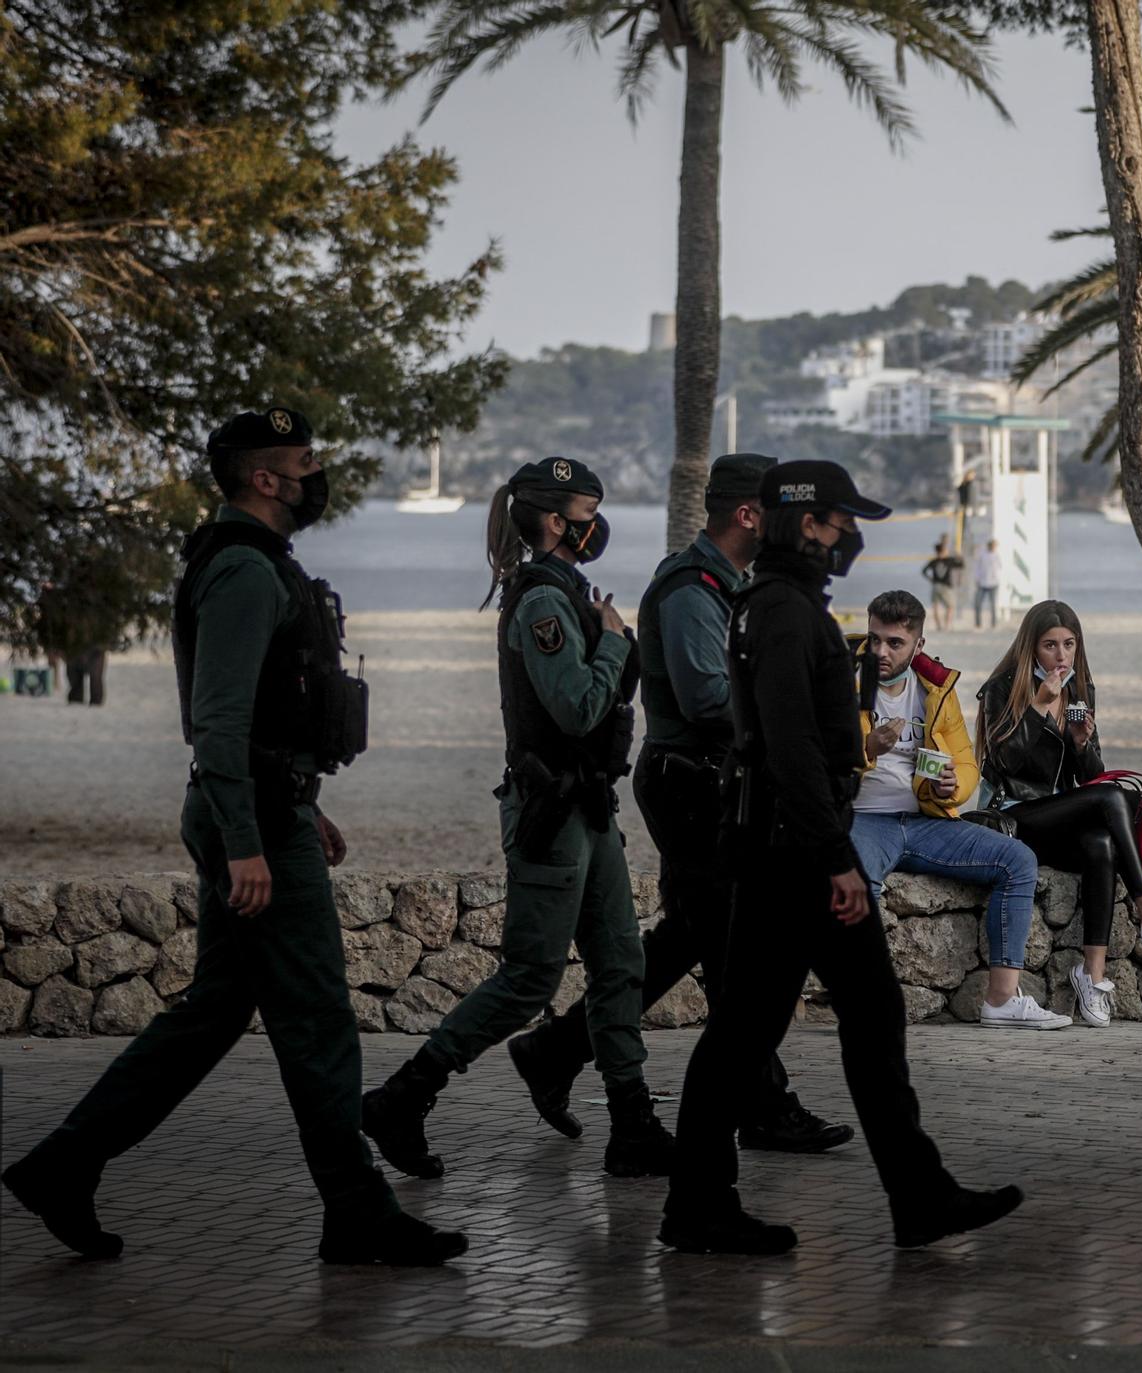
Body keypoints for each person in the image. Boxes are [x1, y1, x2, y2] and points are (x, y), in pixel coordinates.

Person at [1, 408, 464, 1266]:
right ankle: (356, 1210)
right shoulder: (244, 572)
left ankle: (63, 1163)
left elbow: (260, 720)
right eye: (302, 460)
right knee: (319, 1015)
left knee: (212, 1013)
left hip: (263, 808)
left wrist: (301, 804)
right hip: (246, 819)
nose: (314, 472)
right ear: (265, 478)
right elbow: (216, 722)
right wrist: (249, 840)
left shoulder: (252, 564)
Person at [661, 459, 1024, 1255]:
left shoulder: (764, 603)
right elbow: (792, 748)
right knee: (765, 1029)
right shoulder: (790, 614)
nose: (851, 536)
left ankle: (909, 1194)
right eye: (840, 521)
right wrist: (835, 860)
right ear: (806, 523)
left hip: (779, 847)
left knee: (781, 1025)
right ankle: (709, 1203)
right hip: (796, 853)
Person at [506, 455, 853, 1153]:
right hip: (690, 782)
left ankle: (558, 1050)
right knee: (730, 945)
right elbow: (706, 698)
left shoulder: (730, 584)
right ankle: (758, 1107)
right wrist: (793, 711)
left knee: (691, 939)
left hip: (708, 781)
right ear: (750, 515)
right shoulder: (693, 588)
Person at [362, 456, 673, 1182]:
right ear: (554, 520)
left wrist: (613, 643)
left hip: (588, 805)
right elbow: (578, 707)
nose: (595, 524)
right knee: (532, 976)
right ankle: (404, 1096)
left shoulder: (565, 592)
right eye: (585, 511)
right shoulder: (541, 602)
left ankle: (631, 1122)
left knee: (620, 963)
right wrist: (618, 640)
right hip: (552, 814)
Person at [976, 600, 1142, 1029]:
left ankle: (1092, 975)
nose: (1061, 656)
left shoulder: (1080, 690)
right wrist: (1041, 707)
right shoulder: (1002, 688)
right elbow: (1005, 763)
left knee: (1101, 840)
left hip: (1058, 817)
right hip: (1011, 816)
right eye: (1050, 646)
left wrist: (1082, 744)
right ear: (1031, 648)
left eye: (1069, 645)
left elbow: (1091, 774)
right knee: (1110, 798)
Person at [850, 590, 1067, 1030]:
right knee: (857, 876)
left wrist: (955, 786)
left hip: (926, 820)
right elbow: (811, 755)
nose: (881, 652)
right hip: (863, 817)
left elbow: (967, 762)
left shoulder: (935, 687)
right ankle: (862, 1000)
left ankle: (1002, 1001)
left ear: (919, 645)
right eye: (875, 639)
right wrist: (866, 749)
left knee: (1018, 860)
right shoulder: (841, 678)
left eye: (894, 643)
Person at [921, 535, 964, 632]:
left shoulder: (934, 561)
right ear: (943, 551)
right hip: (945, 586)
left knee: (935, 606)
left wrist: (930, 579)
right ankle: (946, 626)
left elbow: (923, 571)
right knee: (950, 606)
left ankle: (938, 626)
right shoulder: (948, 560)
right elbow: (961, 565)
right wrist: (959, 556)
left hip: (935, 585)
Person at [972, 538, 1003, 630]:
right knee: (978, 603)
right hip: (982, 583)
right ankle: (978, 624)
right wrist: (977, 578)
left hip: (993, 583)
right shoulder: (982, 555)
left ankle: (994, 624)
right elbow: (977, 567)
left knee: (993, 605)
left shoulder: (997, 555)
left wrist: (997, 579)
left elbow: (1000, 568)